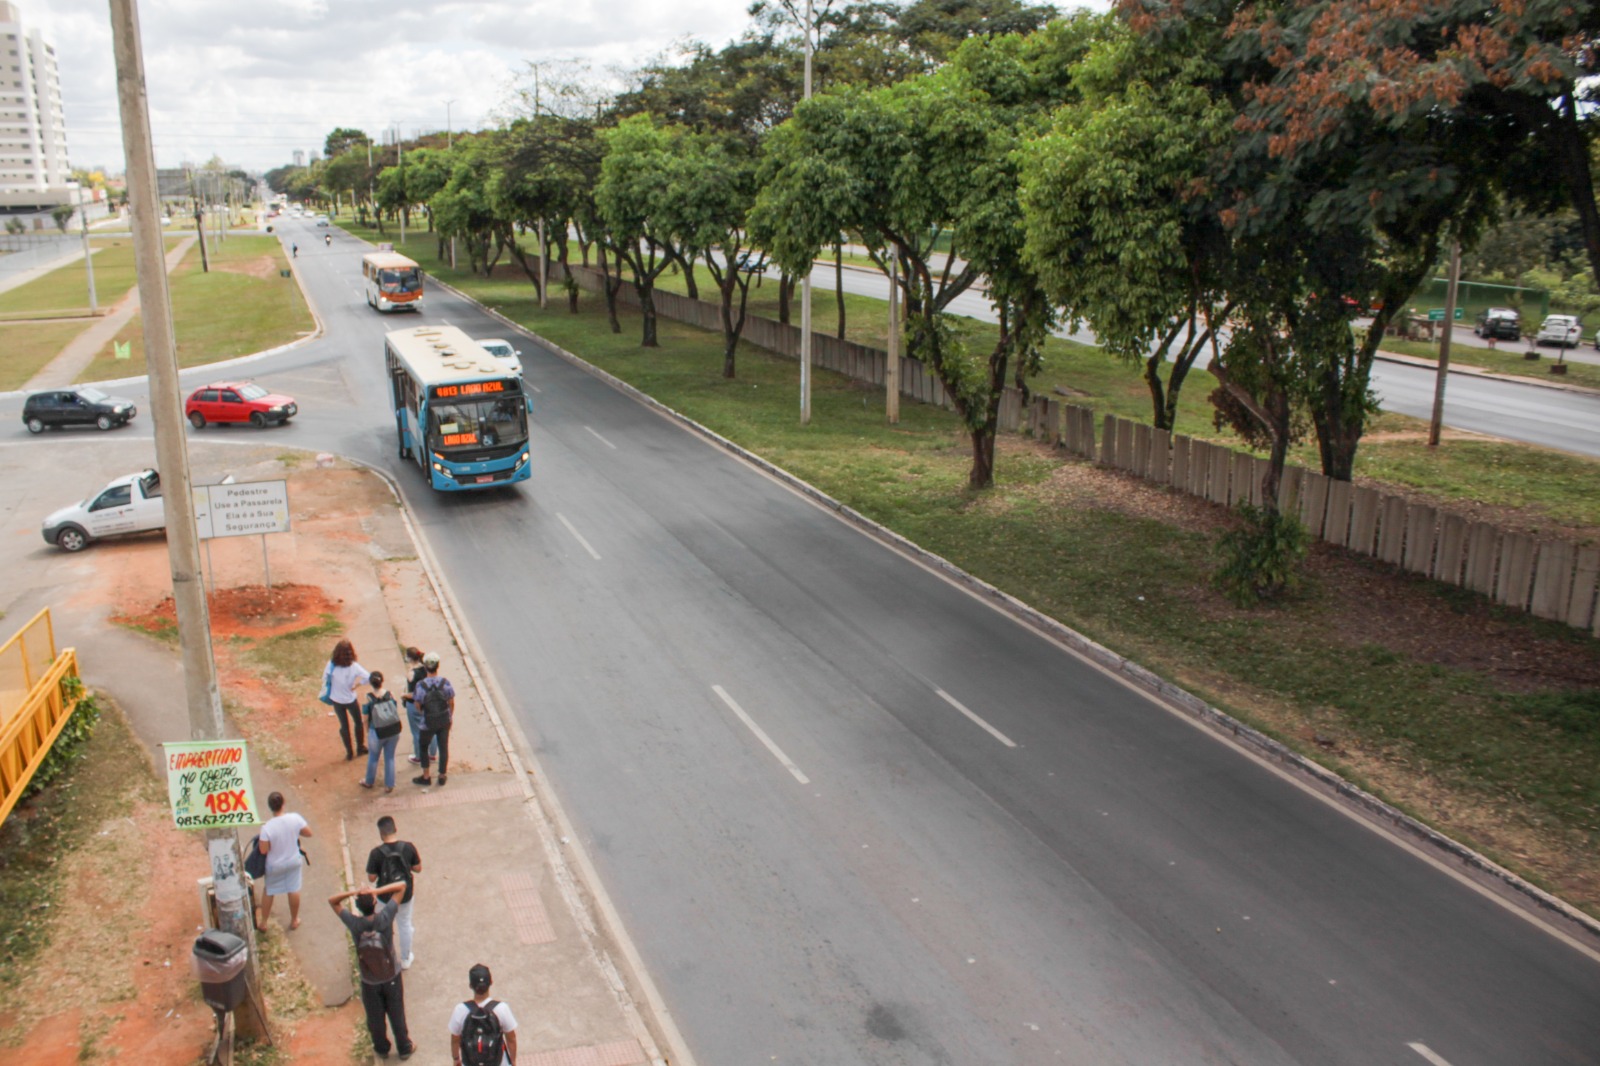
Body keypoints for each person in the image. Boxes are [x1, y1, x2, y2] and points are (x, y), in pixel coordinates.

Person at [329, 882, 414, 1060]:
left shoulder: (354, 924)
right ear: (375, 902)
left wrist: (355, 892)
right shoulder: (385, 917)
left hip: (369, 980)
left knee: (375, 1017)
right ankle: (404, 1047)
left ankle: (382, 1048)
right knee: (396, 1012)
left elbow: (333, 901)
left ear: (358, 907)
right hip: (391, 974)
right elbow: (401, 887)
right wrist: (374, 891)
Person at [365, 815, 421, 969]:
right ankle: (405, 959)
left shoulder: (376, 853)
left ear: (381, 834)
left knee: (382, 925)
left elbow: (371, 877)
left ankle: (384, 957)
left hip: (384, 897)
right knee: (405, 924)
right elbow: (418, 868)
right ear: (395, 829)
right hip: (405, 895)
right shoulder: (408, 847)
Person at [256, 791, 312, 931]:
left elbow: (263, 850)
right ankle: (294, 920)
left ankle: (263, 923)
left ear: (270, 807)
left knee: (269, 891)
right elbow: (308, 833)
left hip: (274, 864)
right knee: (293, 889)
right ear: (283, 803)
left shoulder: (267, 827)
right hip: (293, 860)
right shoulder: (295, 818)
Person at [449, 964, 517, 1066]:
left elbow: (455, 1039)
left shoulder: (460, 1010)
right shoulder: (502, 1009)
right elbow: (511, 1038)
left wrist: (456, 1059)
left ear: (470, 985)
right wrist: (513, 1060)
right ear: (491, 982)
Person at [412, 651, 456, 787]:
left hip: (427, 722)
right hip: (444, 720)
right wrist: (450, 716)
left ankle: (426, 776)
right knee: (443, 747)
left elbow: (417, 704)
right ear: (438, 666)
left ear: (425, 667)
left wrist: (424, 712)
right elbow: (451, 701)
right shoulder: (445, 682)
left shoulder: (420, 685)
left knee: (423, 746)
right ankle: (442, 775)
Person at [323, 638, 371, 761]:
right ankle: (360, 747)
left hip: (336, 700)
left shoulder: (331, 665)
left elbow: (325, 678)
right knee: (358, 723)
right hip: (350, 699)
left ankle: (349, 752)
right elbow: (368, 677)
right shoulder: (354, 667)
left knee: (344, 726)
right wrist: (358, 685)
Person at [360, 671, 404, 791]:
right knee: (390, 757)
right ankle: (389, 785)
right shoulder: (391, 694)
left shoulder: (368, 698)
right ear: (382, 681)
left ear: (371, 683)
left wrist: (367, 731)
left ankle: (369, 781)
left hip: (377, 731)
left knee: (373, 757)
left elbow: (365, 718)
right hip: (393, 730)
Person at [401, 646, 437, 766]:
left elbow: (413, 693)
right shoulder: (425, 669)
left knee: (417, 732)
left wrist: (404, 695)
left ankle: (418, 756)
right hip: (427, 703)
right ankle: (432, 754)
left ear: (409, 658)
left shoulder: (411, 673)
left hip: (414, 705)